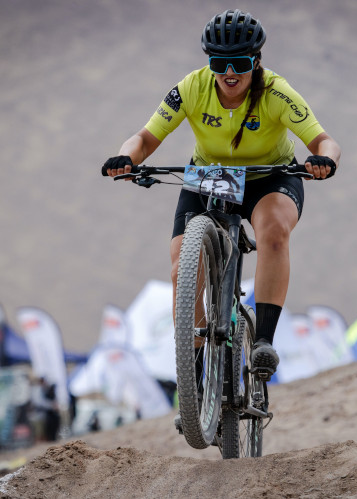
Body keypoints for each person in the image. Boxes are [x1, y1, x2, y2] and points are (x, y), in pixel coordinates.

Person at [103, 10, 341, 381]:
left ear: (257, 61)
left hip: (270, 177)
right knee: (183, 262)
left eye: (240, 64)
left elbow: (325, 140)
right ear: (209, 63)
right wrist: (127, 158)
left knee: (274, 232)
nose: (230, 73)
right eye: (219, 63)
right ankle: (196, 366)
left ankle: (263, 341)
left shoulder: (277, 92)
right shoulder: (191, 88)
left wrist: (323, 159)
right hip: (209, 177)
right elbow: (145, 138)